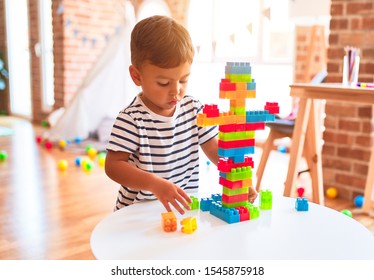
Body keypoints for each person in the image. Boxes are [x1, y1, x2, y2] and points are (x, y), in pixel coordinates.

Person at [105, 15, 257, 215]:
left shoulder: (193, 109)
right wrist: (154, 184)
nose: (175, 91)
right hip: (137, 212)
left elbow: (213, 148)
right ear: (137, 76)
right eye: (163, 83)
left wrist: (237, 177)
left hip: (181, 206)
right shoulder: (131, 119)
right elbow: (113, 166)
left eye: (183, 80)